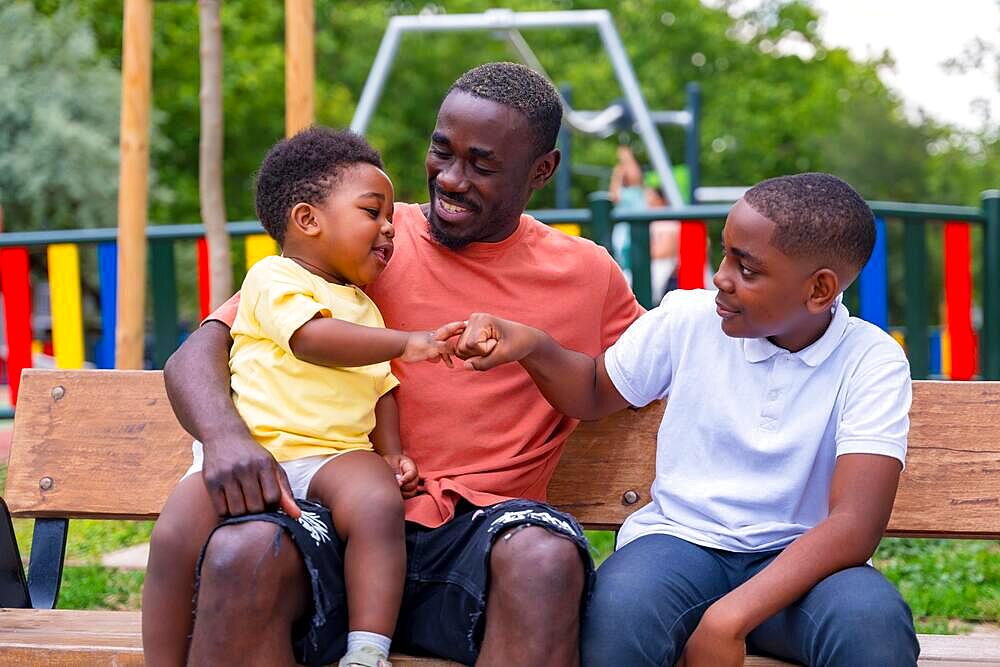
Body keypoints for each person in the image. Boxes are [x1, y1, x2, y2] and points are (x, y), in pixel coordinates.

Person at [149, 62, 643, 666]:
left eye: (482, 165)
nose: (451, 179)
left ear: (542, 170)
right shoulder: (361, 239)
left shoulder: (586, 275)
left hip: (478, 532)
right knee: (242, 553)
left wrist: (535, 345)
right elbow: (199, 351)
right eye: (441, 152)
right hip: (333, 519)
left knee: (545, 557)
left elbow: (630, 375)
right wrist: (225, 437)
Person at [454, 172, 920, 666]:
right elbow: (592, 391)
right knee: (617, 616)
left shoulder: (870, 360)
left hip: (806, 571)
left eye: (747, 268)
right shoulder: (689, 320)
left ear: (819, 290)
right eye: (725, 254)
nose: (721, 277)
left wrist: (728, 618)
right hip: (680, 548)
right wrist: (533, 345)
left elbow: (854, 524)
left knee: (873, 625)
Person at [145, 128, 465, 667]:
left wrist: (390, 453)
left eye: (390, 218)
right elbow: (310, 338)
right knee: (174, 538)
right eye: (372, 212)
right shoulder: (274, 278)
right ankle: (162, 659)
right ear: (308, 220)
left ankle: (367, 650)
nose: (390, 229)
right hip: (253, 454)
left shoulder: (366, 308)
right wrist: (410, 343)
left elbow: (382, 386)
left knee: (378, 503)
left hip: (333, 456)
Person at [608, 144, 681, 301]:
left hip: (652, 262)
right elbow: (614, 194)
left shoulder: (661, 215)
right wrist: (619, 171)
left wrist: (626, 155)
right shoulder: (638, 204)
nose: (649, 198)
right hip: (635, 256)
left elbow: (664, 251)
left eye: (652, 196)